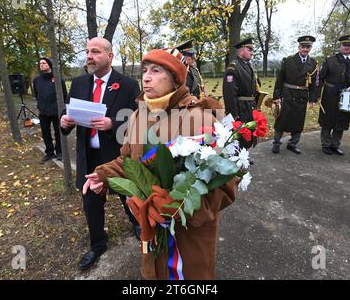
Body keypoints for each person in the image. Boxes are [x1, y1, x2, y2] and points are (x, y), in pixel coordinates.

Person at [82, 46, 237, 279]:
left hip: (189, 236)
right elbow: (128, 161)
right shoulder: (137, 116)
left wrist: (180, 206)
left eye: (156, 71)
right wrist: (103, 174)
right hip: (151, 228)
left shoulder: (202, 117)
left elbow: (227, 185)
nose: (146, 77)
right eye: (144, 70)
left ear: (175, 80)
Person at [60, 37, 141, 270]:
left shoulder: (127, 84)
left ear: (110, 56)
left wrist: (112, 124)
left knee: (127, 194)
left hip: (117, 156)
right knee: (91, 203)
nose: (89, 56)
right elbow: (70, 118)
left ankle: (136, 223)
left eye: (95, 51)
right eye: (87, 51)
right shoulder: (78, 83)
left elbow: (137, 123)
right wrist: (65, 122)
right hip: (89, 157)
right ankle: (97, 244)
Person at [317, 34, 350, 156]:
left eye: (349, 45)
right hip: (330, 95)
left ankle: (335, 145)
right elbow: (320, 78)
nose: (347, 47)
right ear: (340, 46)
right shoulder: (330, 60)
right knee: (327, 121)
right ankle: (326, 144)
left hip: (348, 96)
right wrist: (317, 95)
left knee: (342, 121)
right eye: (344, 45)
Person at [271, 35, 318, 154]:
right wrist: (276, 96)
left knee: (298, 121)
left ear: (311, 48)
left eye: (308, 47)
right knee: (281, 120)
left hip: (302, 96)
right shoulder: (288, 60)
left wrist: (313, 99)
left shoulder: (313, 63)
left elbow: (313, 84)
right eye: (303, 46)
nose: (305, 49)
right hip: (287, 94)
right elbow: (280, 80)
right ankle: (276, 143)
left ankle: (292, 144)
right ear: (299, 47)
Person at [222, 37, 261, 149]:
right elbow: (229, 94)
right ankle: (237, 158)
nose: (252, 53)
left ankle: (244, 154)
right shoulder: (233, 68)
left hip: (250, 107)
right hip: (240, 108)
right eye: (249, 49)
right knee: (240, 134)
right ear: (241, 51)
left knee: (248, 133)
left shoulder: (249, 66)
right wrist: (233, 114)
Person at [33, 57, 67, 162]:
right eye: (40, 63)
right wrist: (40, 105)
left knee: (58, 132)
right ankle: (49, 152)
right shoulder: (36, 80)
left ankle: (59, 152)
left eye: (44, 63)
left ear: (49, 65)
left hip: (56, 111)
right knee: (45, 132)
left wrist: (63, 110)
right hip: (43, 111)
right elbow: (36, 94)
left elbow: (64, 95)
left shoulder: (58, 79)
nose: (41, 65)